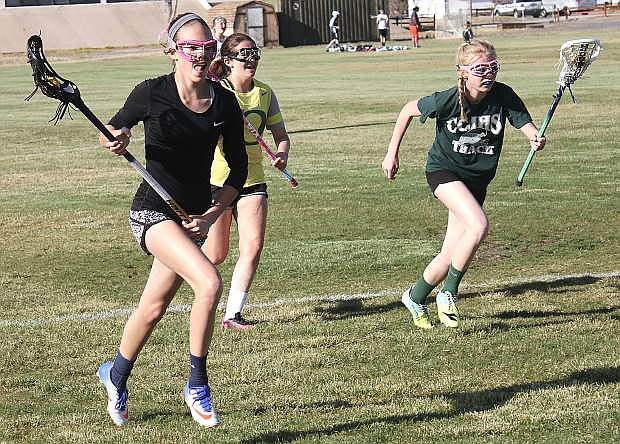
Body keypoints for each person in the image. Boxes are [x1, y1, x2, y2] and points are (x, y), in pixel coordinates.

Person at [96, 13, 248, 427]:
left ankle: (116, 373)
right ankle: (197, 383)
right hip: (151, 212)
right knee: (209, 282)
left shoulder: (224, 102)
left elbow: (237, 172)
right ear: (174, 52)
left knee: (153, 306)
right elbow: (115, 127)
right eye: (192, 48)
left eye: (207, 48)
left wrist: (214, 213)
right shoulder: (151, 93)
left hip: (195, 217)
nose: (201, 55)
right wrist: (117, 137)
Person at [381, 39, 545, 330]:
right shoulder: (448, 99)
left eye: (493, 67)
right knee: (479, 226)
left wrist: (534, 137)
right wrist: (391, 154)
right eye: (480, 69)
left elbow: (525, 123)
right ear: (463, 72)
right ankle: (449, 292)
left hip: (476, 182)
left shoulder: (503, 95)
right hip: (444, 171)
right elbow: (407, 110)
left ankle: (415, 296)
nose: (488, 74)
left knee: (450, 253)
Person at [207, 33, 291, 329]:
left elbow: (281, 137)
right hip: (219, 180)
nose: (251, 59)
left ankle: (232, 314)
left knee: (252, 247)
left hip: (253, 180)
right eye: (244, 54)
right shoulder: (216, 91)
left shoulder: (265, 94)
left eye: (254, 53)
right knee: (216, 254)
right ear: (228, 61)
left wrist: (281, 155)